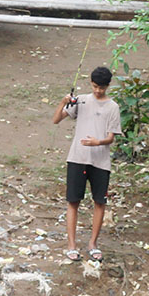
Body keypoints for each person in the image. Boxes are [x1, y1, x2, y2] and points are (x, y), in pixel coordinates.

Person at [53, 65, 121, 261]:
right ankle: (71, 245)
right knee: (73, 201)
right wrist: (63, 102)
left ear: (108, 86)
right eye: (94, 86)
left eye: (101, 87)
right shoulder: (81, 100)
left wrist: (97, 142)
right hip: (77, 158)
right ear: (90, 84)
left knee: (99, 202)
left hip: (100, 161)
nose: (97, 91)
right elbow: (56, 119)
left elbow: (111, 138)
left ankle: (93, 244)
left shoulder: (113, 107)